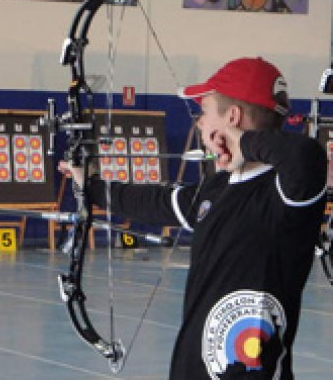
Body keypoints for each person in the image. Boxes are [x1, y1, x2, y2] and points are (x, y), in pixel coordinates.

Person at [58, 57, 327, 379]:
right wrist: (90, 186)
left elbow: (304, 154)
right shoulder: (216, 188)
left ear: (232, 117)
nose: (199, 123)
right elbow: (156, 202)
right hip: (193, 366)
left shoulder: (288, 190)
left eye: (205, 112)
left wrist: (240, 140)